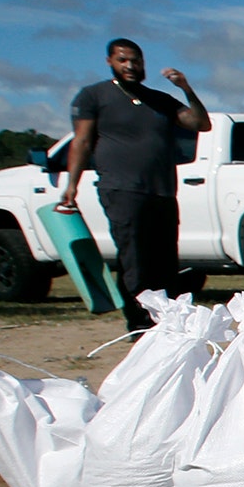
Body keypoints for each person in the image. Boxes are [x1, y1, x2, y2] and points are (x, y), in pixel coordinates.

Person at [59, 38, 211, 335]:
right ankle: (139, 322)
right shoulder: (94, 96)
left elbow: (200, 124)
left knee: (165, 259)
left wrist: (186, 89)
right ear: (110, 62)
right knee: (135, 257)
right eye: (123, 60)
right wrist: (71, 185)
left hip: (162, 190)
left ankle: (166, 319)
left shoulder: (159, 99)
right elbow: (82, 141)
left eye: (136, 61)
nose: (130, 66)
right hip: (122, 189)